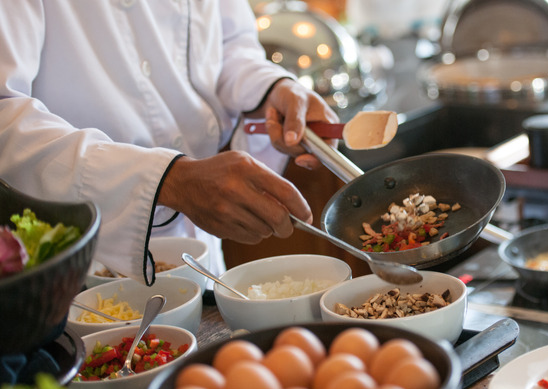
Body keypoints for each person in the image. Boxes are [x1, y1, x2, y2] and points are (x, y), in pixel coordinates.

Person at [0, 1, 339, 285]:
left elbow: (229, 42)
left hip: (200, 247)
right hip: (83, 261)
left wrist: (271, 88)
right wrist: (167, 180)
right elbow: (7, 117)